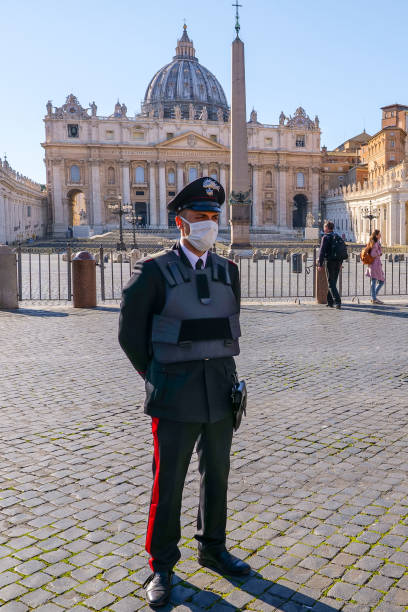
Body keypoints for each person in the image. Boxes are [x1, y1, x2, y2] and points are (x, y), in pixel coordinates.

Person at [118, 177, 250, 608]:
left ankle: (213, 547)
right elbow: (130, 336)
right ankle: (161, 564)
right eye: (200, 218)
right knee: (169, 480)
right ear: (181, 222)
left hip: (221, 389)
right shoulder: (152, 270)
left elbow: (228, 324)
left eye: (214, 217)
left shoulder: (228, 269)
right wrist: (156, 373)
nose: (209, 225)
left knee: (219, 475)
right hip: (175, 393)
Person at [317, 221, 342, 309]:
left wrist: (320, 264)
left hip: (330, 262)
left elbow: (321, 252)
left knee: (331, 284)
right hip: (338, 262)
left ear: (327, 228)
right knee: (333, 282)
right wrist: (340, 263)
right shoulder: (337, 236)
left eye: (324, 227)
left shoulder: (326, 237)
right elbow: (341, 251)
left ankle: (338, 301)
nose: (324, 229)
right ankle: (330, 301)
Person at [366, 229, 385, 304]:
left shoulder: (376, 242)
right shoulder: (374, 243)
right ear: (376, 235)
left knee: (380, 280)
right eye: (379, 234)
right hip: (374, 264)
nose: (380, 236)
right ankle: (374, 298)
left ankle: (373, 297)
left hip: (376, 264)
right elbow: (373, 254)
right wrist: (379, 253)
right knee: (376, 280)